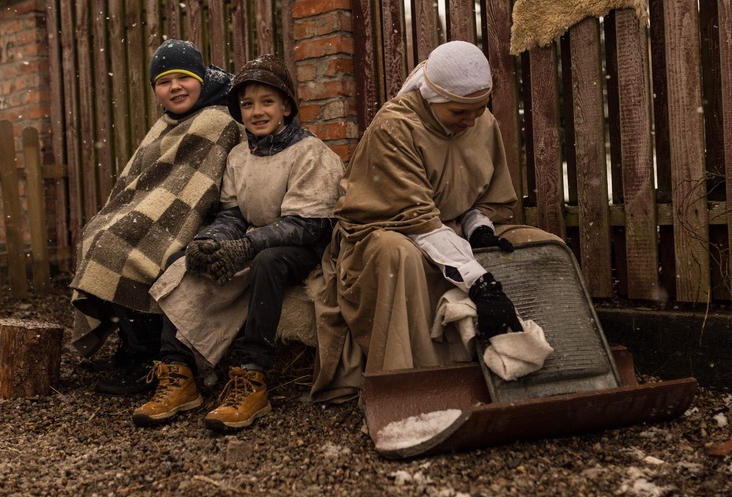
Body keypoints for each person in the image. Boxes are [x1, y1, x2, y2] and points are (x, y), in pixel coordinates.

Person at [309, 40, 562, 403]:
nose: (471, 121)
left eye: (479, 110)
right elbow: (418, 221)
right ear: (432, 98)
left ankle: (553, 380)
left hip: (449, 228)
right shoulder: (394, 128)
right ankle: (419, 393)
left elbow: (489, 199)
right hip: (384, 233)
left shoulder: (480, 122)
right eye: (461, 112)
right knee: (402, 256)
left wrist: (479, 230)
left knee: (543, 246)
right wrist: (481, 284)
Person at [133, 55, 344, 430]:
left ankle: (252, 377)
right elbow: (233, 214)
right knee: (184, 261)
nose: (257, 112)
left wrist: (248, 247)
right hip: (256, 241)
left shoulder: (311, 153)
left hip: (303, 250)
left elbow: (308, 225)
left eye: (267, 102)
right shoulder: (238, 156)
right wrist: (211, 240)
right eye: (247, 104)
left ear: (287, 108)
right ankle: (178, 375)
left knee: (268, 261)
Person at [70, 39, 241, 395]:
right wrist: (131, 213)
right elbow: (143, 179)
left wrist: (149, 219)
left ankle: (148, 357)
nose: (175, 87)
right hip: (159, 210)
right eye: (164, 81)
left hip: (206, 218)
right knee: (98, 234)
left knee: (121, 248)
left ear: (201, 78)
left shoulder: (217, 118)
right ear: (155, 90)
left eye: (184, 77)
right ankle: (132, 345)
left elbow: (200, 184)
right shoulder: (168, 121)